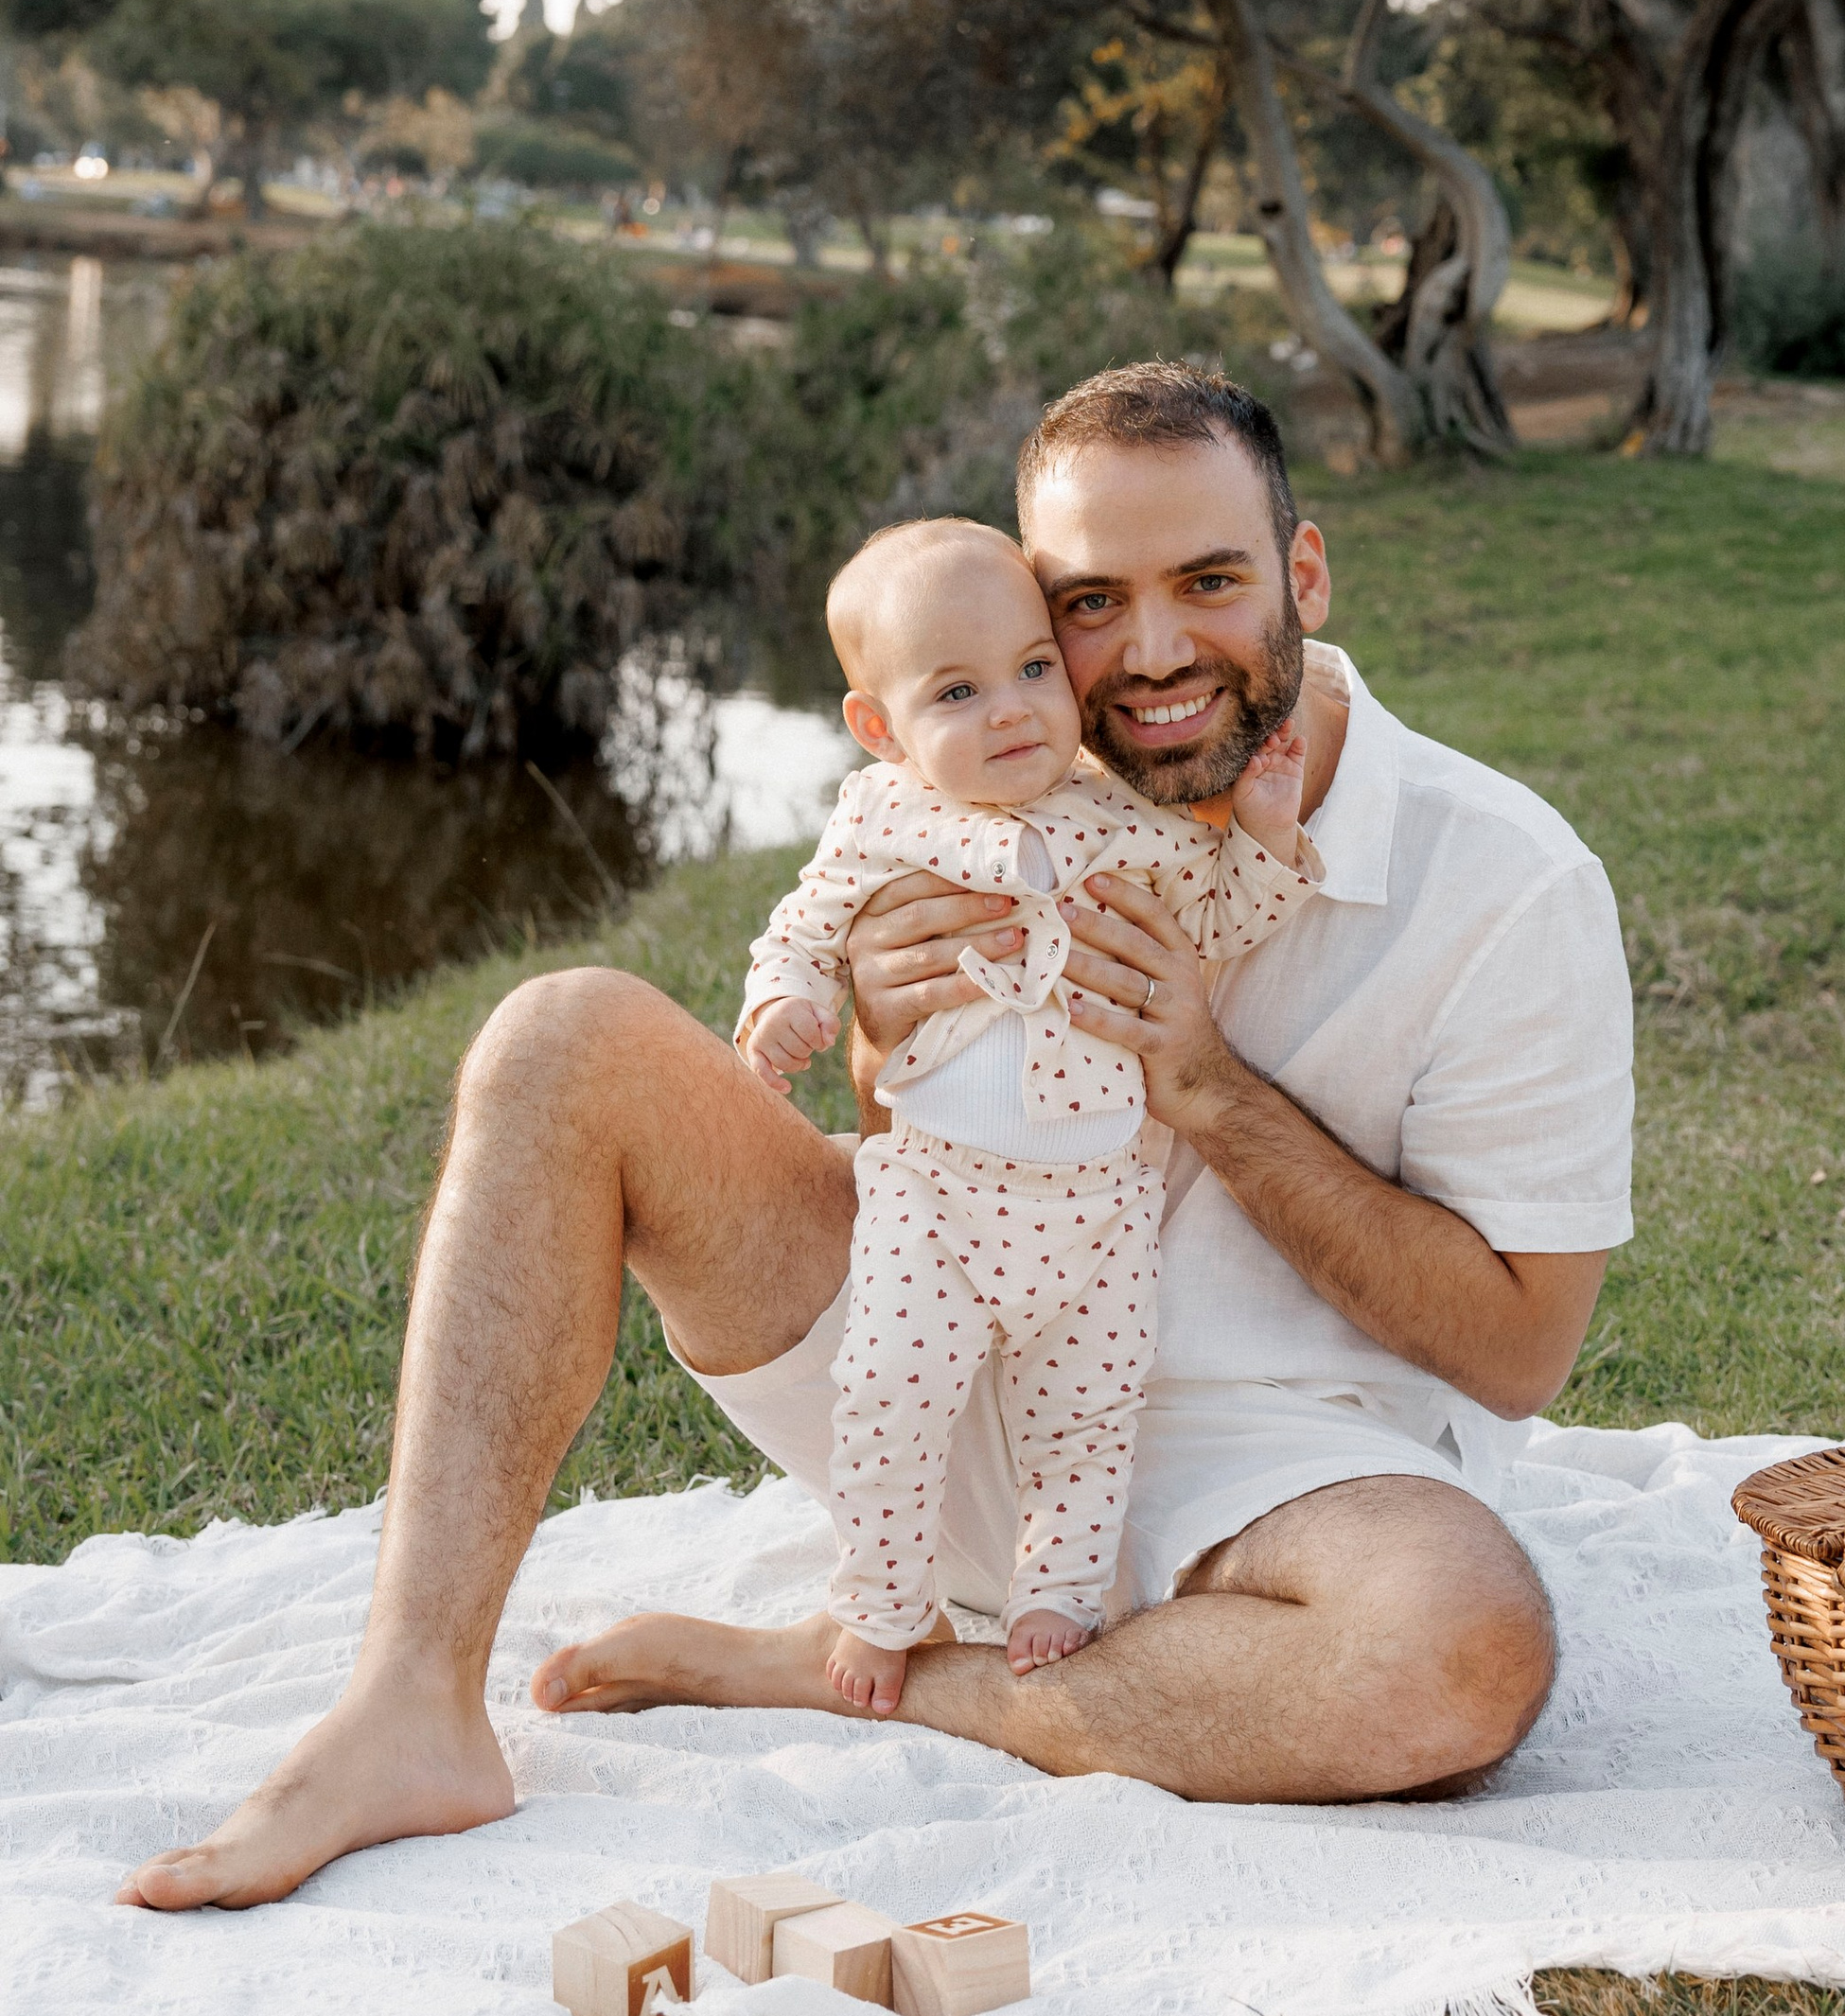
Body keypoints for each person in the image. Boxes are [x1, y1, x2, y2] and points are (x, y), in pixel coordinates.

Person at [122, 362, 1633, 1912]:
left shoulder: (1510, 883)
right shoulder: (998, 763)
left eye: (1212, 582)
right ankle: (410, 1712)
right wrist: (875, 1042)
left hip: (1271, 1480)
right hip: (934, 1350)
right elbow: (910, 1125)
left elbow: (1518, 1353)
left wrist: (1212, 1091)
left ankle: (891, 1679)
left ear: (1303, 574)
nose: (1155, 654)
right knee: (561, 1036)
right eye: (1091, 605)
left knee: (1463, 1648)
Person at [740, 513, 1320, 1708]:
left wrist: (1262, 833)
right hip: (938, 1192)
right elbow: (804, 925)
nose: (1011, 710)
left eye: (1035, 670)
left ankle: (1058, 1585)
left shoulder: (1127, 815)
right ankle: (885, 1596)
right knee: (889, 1395)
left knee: (1090, 1412)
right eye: (956, 690)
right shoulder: (879, 817)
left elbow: (1221, 923)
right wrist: (785, 1001)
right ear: (878, 727)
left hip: (1099, 1203)